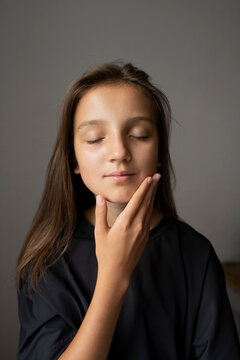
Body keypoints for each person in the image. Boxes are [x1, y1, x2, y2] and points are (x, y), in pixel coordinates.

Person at [15, 62, 240, 360]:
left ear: (159, 151)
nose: (119, 152)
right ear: (74, 160)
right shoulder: (46, 258)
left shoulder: (195, 254)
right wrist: (113, 275)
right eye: (95, 138)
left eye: (139, 134)